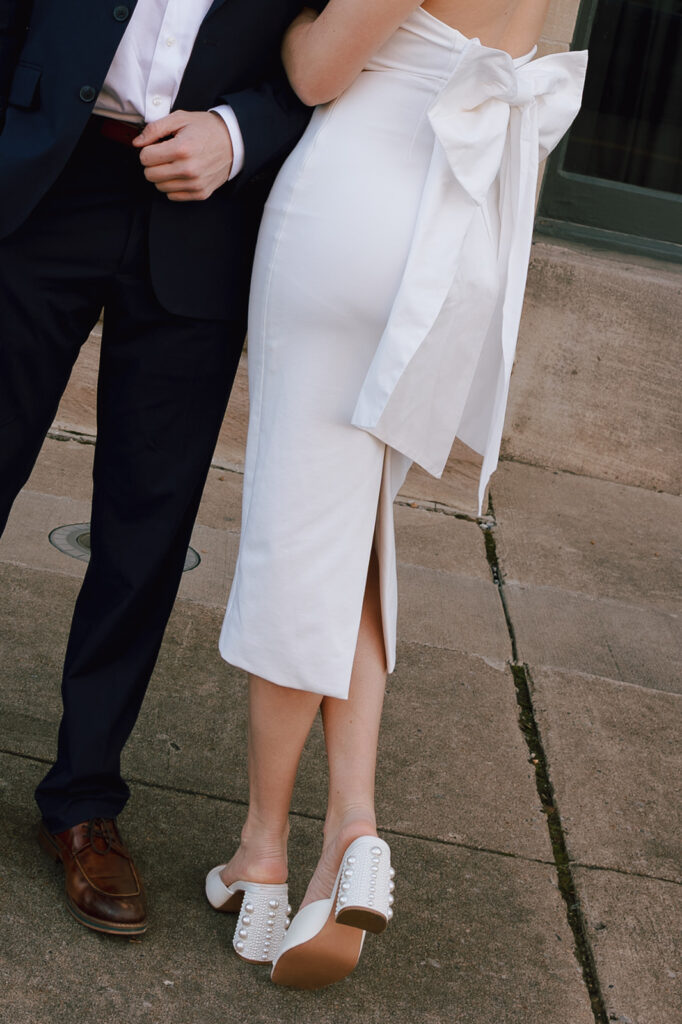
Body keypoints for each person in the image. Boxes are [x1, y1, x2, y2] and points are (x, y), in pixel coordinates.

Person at [206, 0, 587, 989]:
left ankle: (268, 851)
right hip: (447, 225)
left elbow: (321, 69)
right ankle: (349, 827)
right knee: (354, 532)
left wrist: (291, 26)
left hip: (359, 208)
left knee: (295, 533)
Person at [0, 0, 312, 937]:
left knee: (147, 530)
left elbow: (351, 60)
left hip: (200, 213)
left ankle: (85, 803)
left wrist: (240, 130)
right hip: (41, 177)